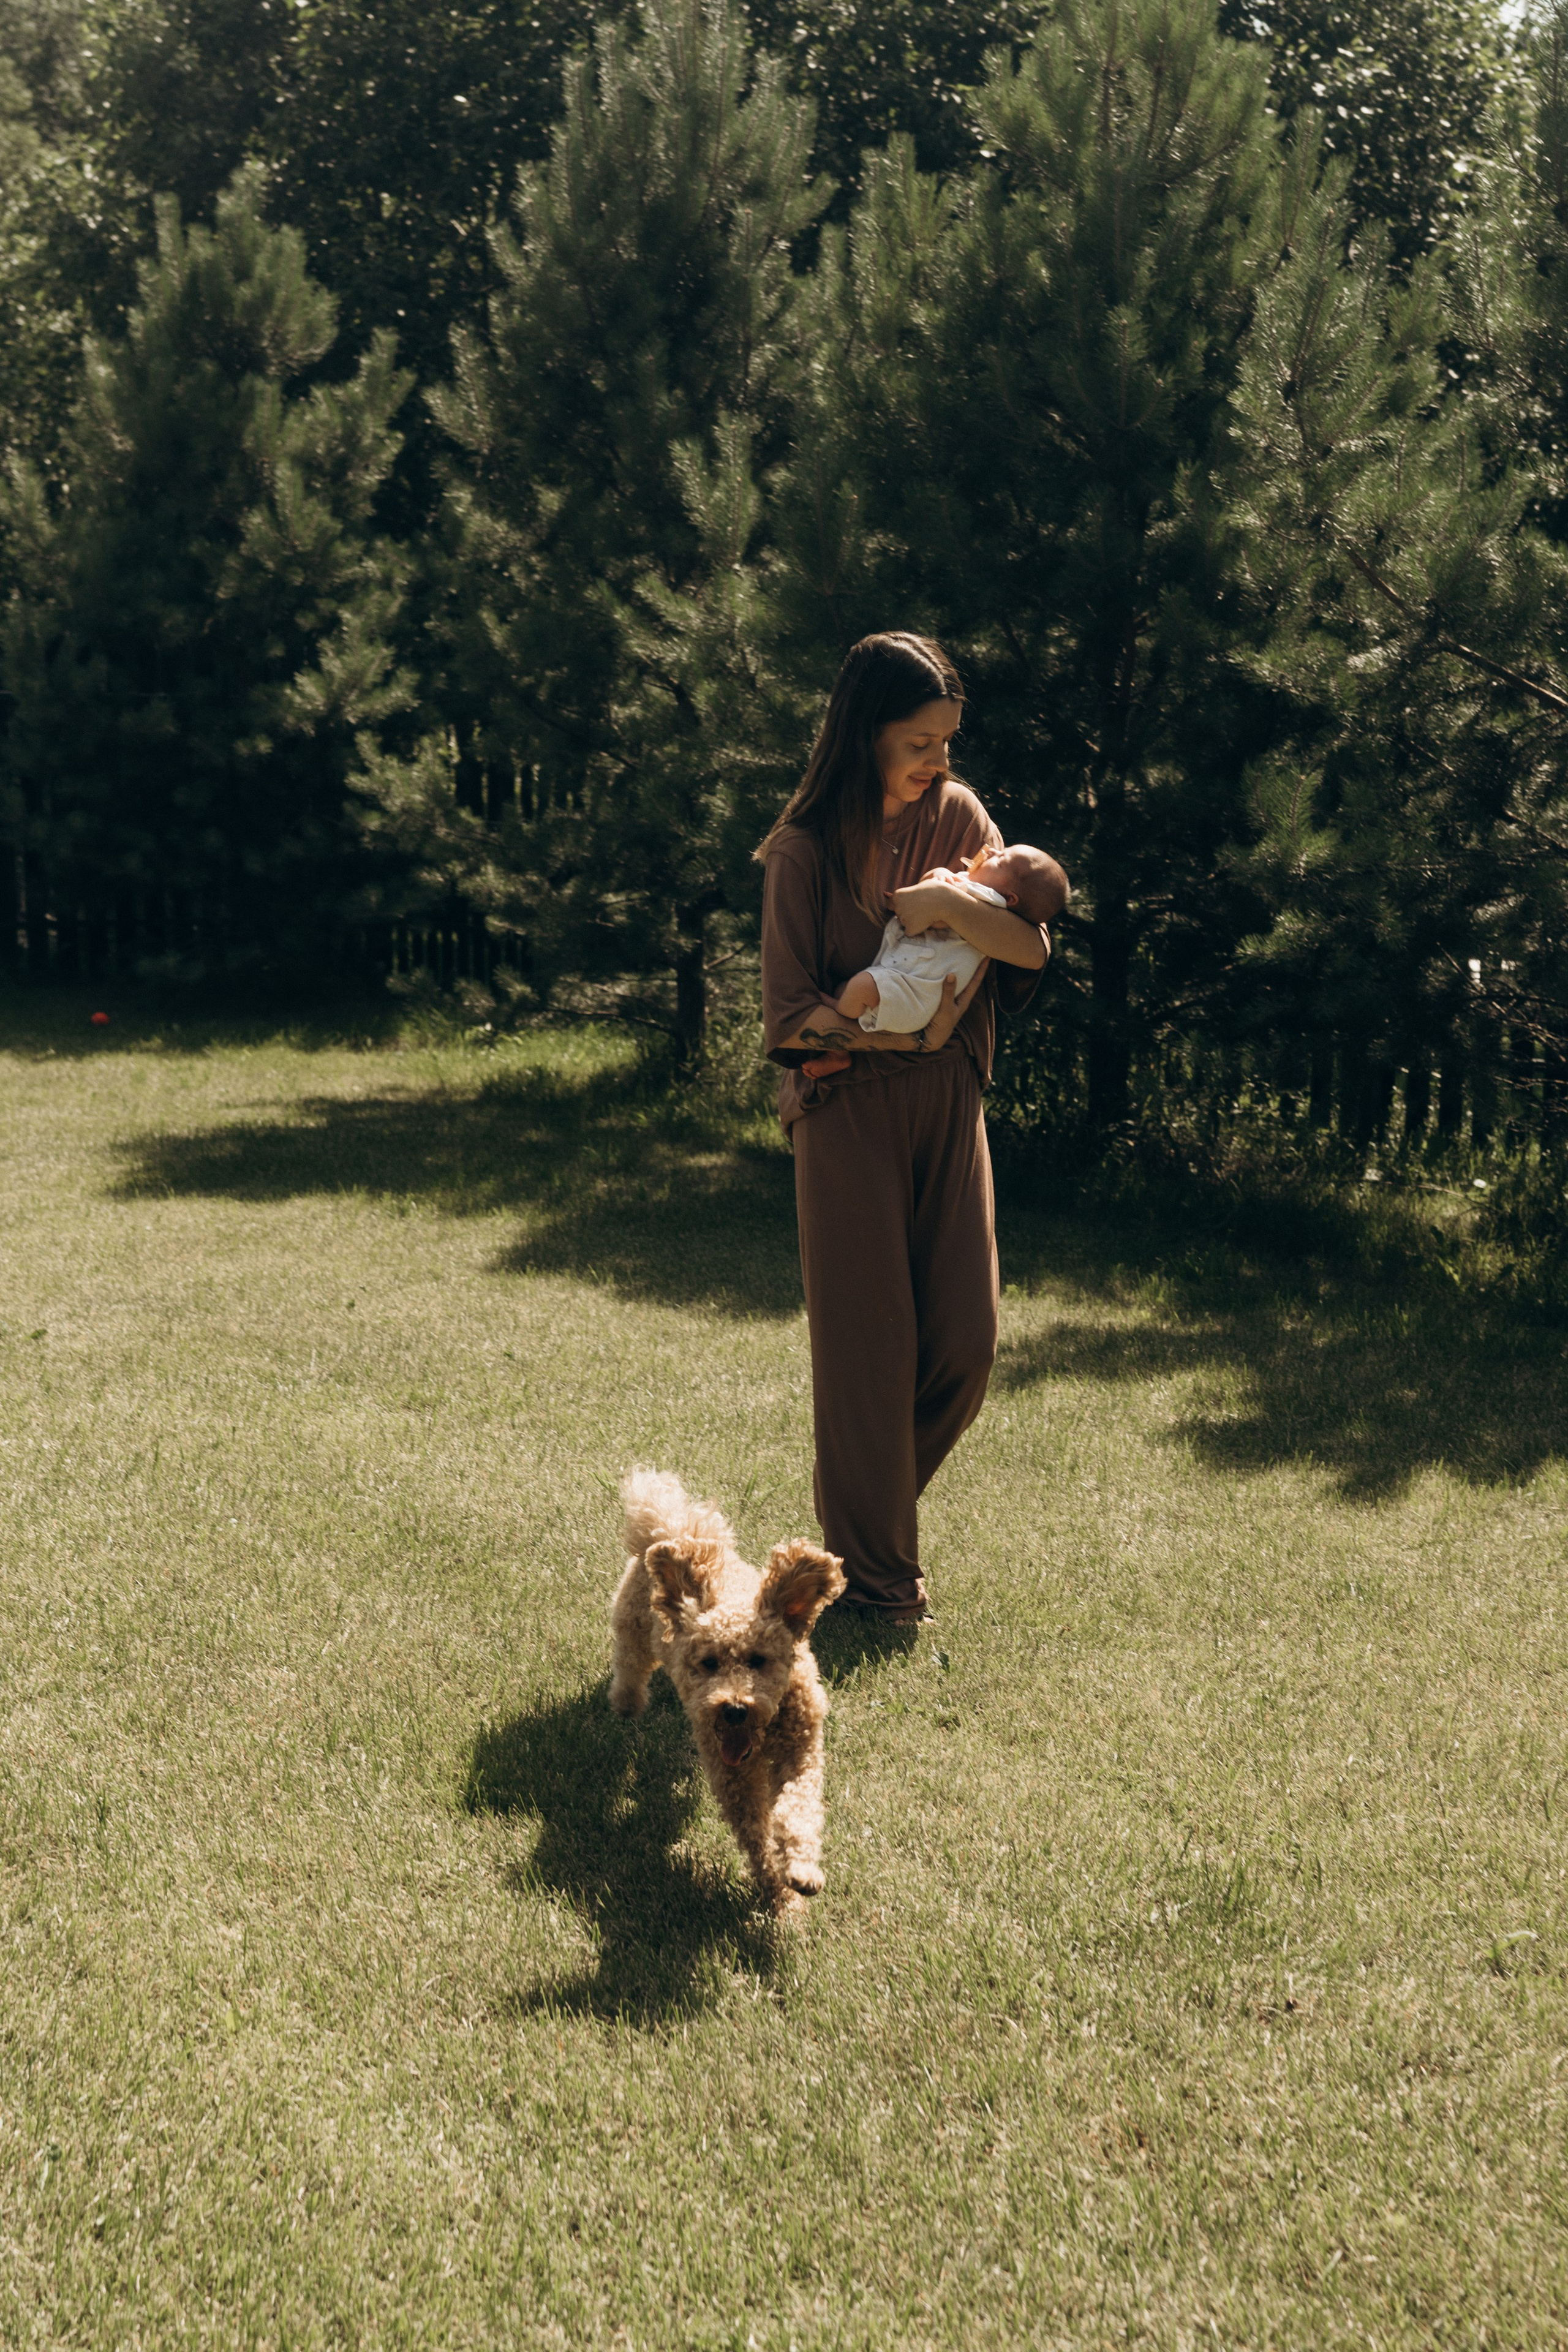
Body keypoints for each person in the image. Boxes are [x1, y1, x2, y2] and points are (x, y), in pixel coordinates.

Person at [758, 632, 1061, 1624]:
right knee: (868, 1356)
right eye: (920, 742)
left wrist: (943, 907)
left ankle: (846, 1544)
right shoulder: (802, 854)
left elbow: (1029, 944)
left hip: (948, 1103)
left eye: (947, 742)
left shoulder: (961, 815)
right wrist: (888, 1035)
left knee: (965, 1347)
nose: (939, 763)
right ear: (865, 734)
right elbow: (792, 1020)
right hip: (845, 1119)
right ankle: (882, 1585)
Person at [805, 842, 1069, 1072]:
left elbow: (935, 919)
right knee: (850, 990)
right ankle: (838, 1049)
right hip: (905, 978)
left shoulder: (988, 900)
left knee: (860, 988)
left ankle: (837, 1025)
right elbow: (933, 896)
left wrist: (936, 894)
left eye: (1001, 859)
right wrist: (940, 875)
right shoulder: (972, 886)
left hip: (917, 992)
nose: (991, 850)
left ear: (1009, 898)